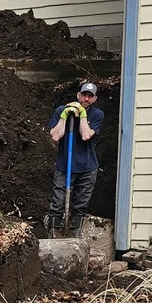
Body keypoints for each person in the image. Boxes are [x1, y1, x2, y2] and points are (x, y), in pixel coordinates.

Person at [46, 82, 104, 234]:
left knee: (80, 204)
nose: (86, 99)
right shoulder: (61, 110)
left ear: (94, 99)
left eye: (89, 97)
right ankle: (53, 234)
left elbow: (86, 135)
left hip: (87, 166)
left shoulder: (97, 114)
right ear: (78, 95)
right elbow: (55, 135)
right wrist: (65, 115)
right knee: (58, 201)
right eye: (84, 95)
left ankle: (75, 235)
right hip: (65, 165)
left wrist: (82, 114)